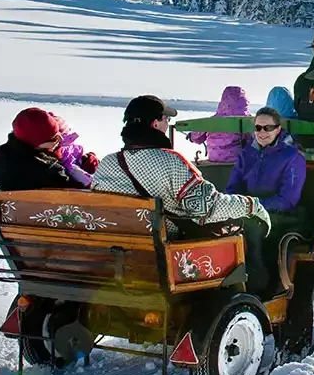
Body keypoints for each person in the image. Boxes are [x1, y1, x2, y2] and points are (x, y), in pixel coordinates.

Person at [91, 94, 274, 293]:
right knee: (245, 230)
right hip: (165, 254)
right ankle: (257, 291)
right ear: (154, 124)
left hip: (119, 250)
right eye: (165, 120)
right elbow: (208, 207)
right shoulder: (170, 163)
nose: (167, 123)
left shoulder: (107, 164)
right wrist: (250, 205)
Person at [225, 107, 307, 213]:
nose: (262, 132)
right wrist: (233, 204)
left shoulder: (292, 157)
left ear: (278, 129)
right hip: (246, 212)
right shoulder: (246, 153)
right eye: (258, 128)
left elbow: (288, 200)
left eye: (268, 128)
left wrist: (252, 206)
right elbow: (232, 187)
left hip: (278, 215)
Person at [0, 107, 83, 191]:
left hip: (14, 210)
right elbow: (79, 194)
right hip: (52, 210)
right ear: (37, 142)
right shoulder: (48, 171)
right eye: (54, 138)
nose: (61, 139)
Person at [186, 85, 250, 163]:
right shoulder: (245, 122)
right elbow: (252, 138)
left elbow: (198, 137)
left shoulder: (211, 121)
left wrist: (192, 136)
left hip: (214, 159)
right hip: (237, 161)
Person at [49, 112, 100, 187]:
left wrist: (87, 157)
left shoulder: (63, 148)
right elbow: (73, 168)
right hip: (76, 164)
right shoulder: (62, 149)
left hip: (80, 162)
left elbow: (73, 167)